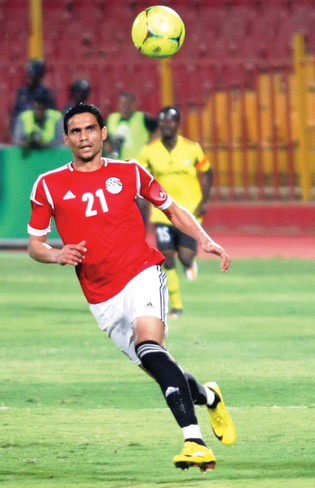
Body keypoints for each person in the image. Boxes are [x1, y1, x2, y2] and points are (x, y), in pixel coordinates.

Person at [27, 102, 236, 471]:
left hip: (141, 272)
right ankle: (209, 396)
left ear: (103, 133)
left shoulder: (130, 172)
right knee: (159, 365)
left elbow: (172, 209)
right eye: (76, 131)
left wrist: (205, 239)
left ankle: (195, 442)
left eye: (90, 129)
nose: (84, 137)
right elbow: (35, 245)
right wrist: (57, 255)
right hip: (101, 297)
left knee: (149, 344)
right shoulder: (48, 185)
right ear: (66, 139)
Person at [137, 106, 213, 319]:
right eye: (163, 121)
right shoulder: (149, 151)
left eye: (170, 121)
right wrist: (141, 197)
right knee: (167, 259)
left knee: (186, 257)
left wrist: (204, 201)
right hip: (162, 213)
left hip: (188, 212)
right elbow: (139, 175)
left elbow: (208, 172)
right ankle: (176, 306)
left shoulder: (192, 148)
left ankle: (189, 264)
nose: (166, 125)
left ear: (178, 124)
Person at [105, 92, 157, 160]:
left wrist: (150, 145)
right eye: (122, 103)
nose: (125, 106)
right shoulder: (112, 118)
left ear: (133, 104)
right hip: (119, 162)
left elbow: (158, 129)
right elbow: (104, 136)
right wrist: (107, 145)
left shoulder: (142, 117)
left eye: (127, 103)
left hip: (138, 162)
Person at [11, 59, 57, 132]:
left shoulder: (46, 94)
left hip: (44, 133)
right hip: (24, 133)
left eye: (32, 75)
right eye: (28, 74)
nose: (29, 77)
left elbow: (52, 117)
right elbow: (16, 115)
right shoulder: (22, 93)